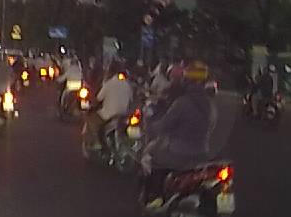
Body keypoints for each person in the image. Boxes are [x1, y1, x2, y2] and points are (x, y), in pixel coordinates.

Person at [141, 61, 216, 208]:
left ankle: (157, 197)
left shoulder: (182, 103)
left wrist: (151, 126)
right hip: (202, 152)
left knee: (153, 159)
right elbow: (211, 126)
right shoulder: (210, 104)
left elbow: (164, 125)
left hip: (179, 153)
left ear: (187, 80)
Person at [88, 62, 135, 150]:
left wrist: (91, 106)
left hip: (108, 115)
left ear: (111, 72)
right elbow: (131, 100)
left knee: (92, 120)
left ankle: (99, 145)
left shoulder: (109, 84)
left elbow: (98, 99)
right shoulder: (127, 85)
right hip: (123, 116)